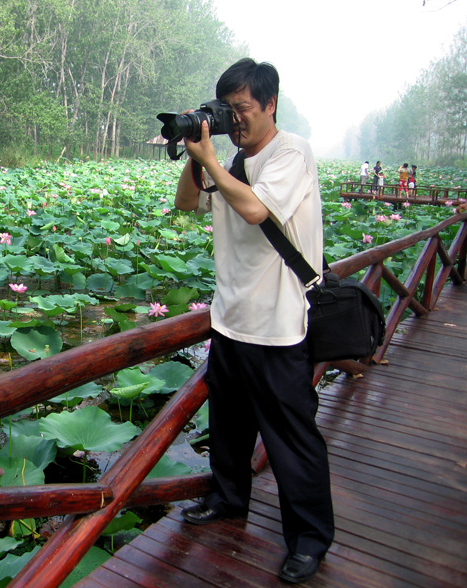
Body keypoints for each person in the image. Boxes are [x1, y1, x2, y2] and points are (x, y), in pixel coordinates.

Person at [174, 58, 334, 585]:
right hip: (230, 318)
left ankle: (308, 540)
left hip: (279, 324)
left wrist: (214, 160)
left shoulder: (292, 153)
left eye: (242, 108)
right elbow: (186, 204)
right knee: (230, 427)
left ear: (270, 105)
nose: (235, 119)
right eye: (227, 110)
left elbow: (257, 211)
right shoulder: (227, 158)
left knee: (292, 440)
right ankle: (227, 498)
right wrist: (191, 151)